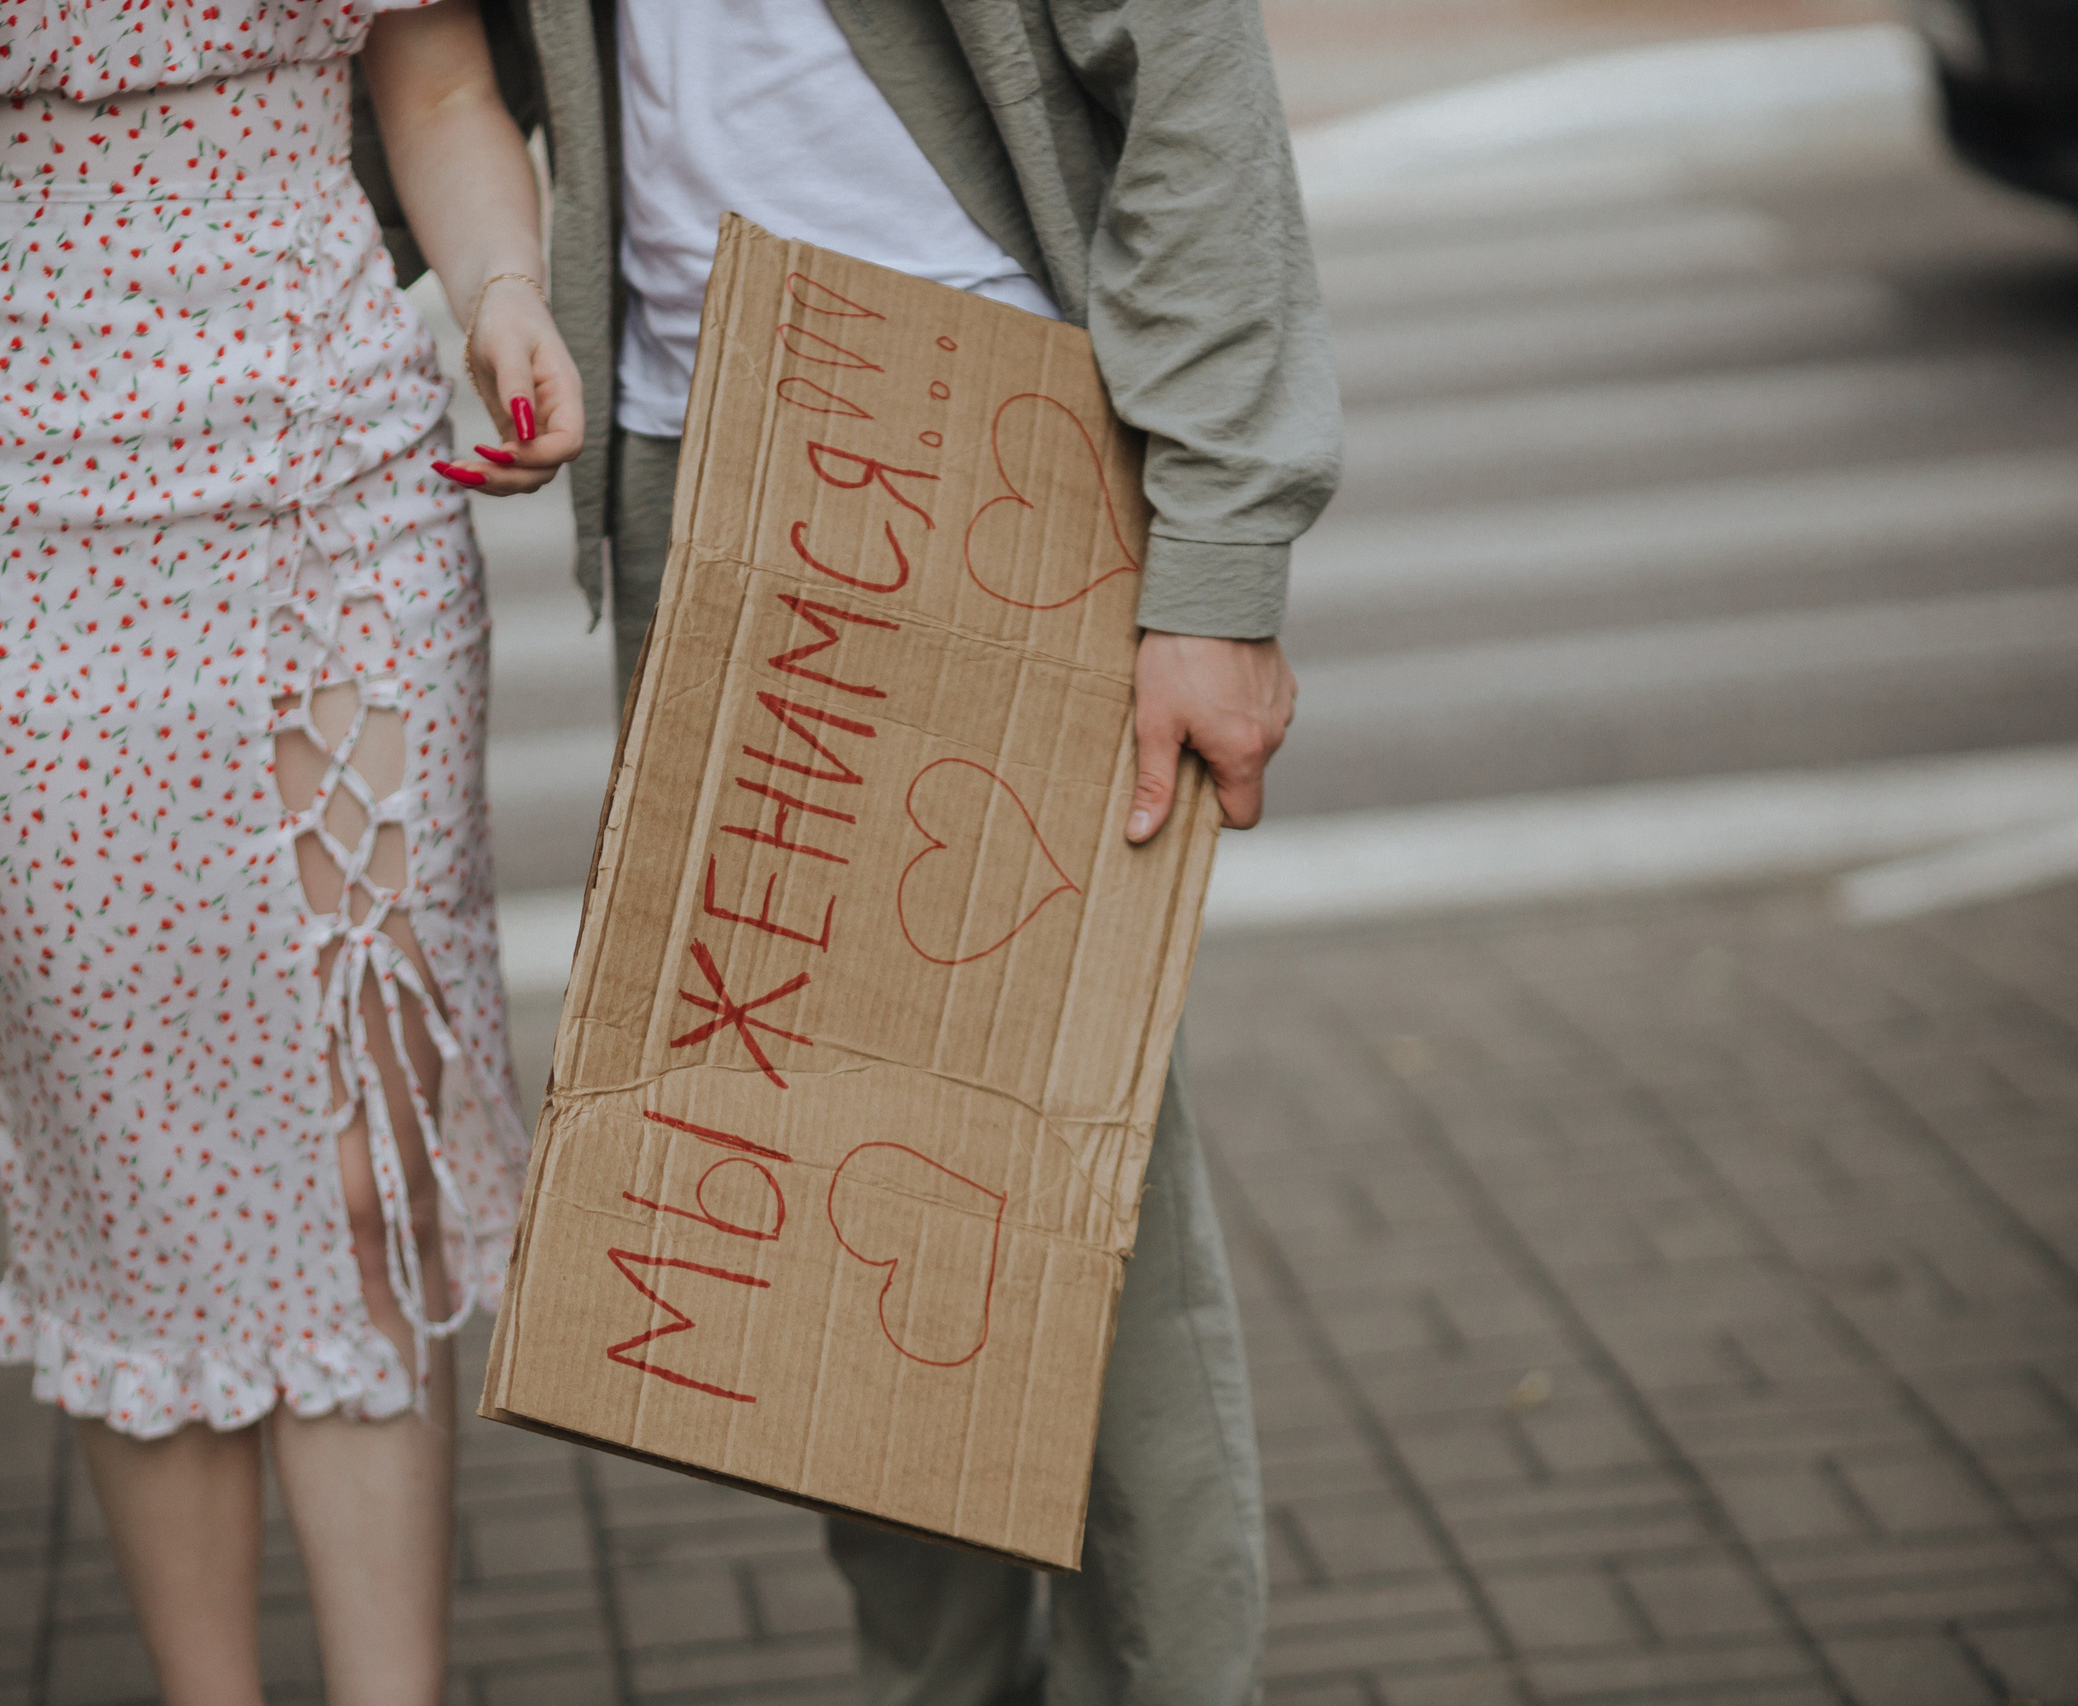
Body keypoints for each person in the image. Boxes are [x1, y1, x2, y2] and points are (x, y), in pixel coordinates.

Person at [363, 1, 1343, 1700]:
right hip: (701, 435)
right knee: (817, 1211)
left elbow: (1185, 63)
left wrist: (1218, 555)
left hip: (978, 415)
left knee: (1068, 1209)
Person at [0, 0, 581, 1695]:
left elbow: (442, 81)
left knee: (373, 1148)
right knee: (132, 1178)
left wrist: (502, 295)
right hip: (7, 536)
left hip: (342, 500)